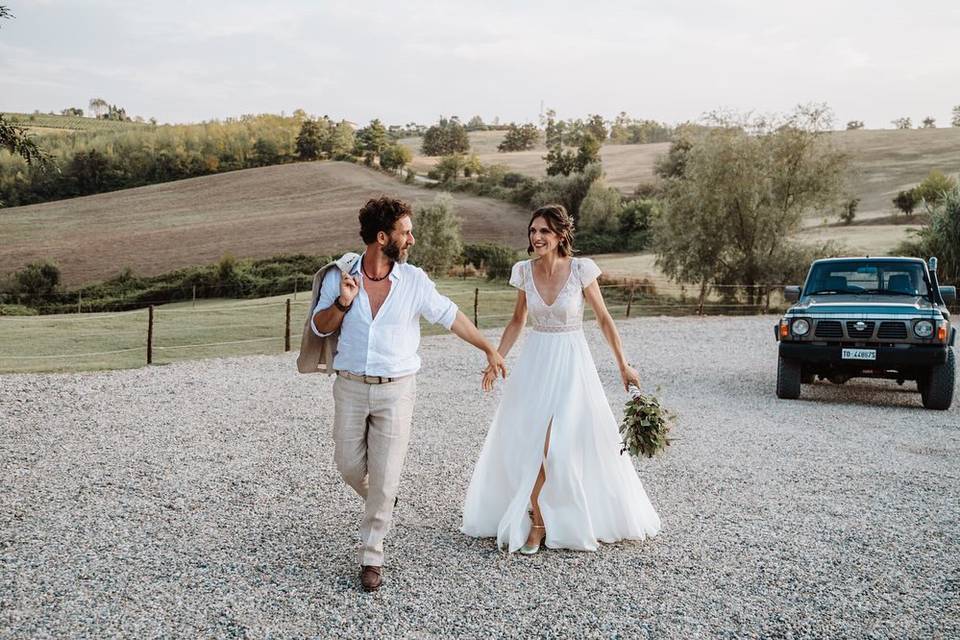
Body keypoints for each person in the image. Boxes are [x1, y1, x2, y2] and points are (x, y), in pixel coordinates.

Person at [312, 196, 506, 591]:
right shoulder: (342, 274)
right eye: (405, 232)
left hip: (397, 391)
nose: (412, 239)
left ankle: (372, 554)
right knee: (348, 465)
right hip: (350, 386)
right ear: (382, 237)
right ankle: (381, 498)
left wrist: (488, 347)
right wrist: (342, 303)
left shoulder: (414, 281)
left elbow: (452, 316)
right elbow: (320, 326)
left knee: (385, 477)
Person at [461, 204, 660, 554]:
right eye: (533, 231)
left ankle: (552, 519)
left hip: (571, 362)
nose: (537, 237)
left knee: (557, 446)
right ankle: (537, 518)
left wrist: (623, 365)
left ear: (560, 235)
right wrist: (496, 357)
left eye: (544, 232)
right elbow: (518, 320)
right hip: (536, 363)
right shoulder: (523, 271)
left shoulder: (582, 270)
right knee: (533, 445)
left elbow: (603, 319)